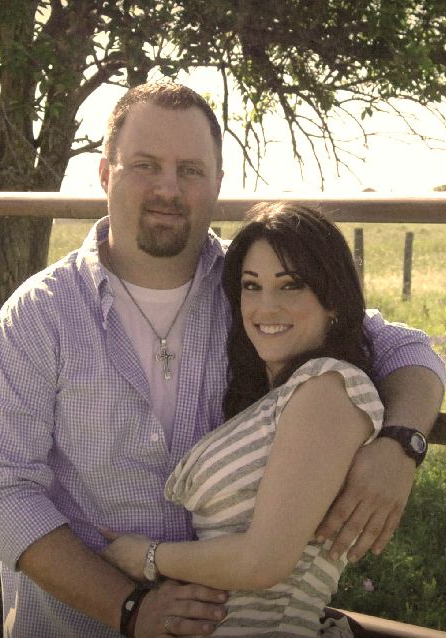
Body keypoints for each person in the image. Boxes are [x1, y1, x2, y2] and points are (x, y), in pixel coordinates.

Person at [0, 82, 446, 638]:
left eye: (190, 170)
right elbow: (1, 489)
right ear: (105, 173)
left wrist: (401, 445)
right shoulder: (40, 313)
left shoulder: (256, 289)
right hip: (79, 625)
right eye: (146, 165)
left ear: (217, 182)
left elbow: (406, 349)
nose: (168, 188)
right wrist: (129, 609)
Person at [100, 201, 405, 636]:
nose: (266, 307)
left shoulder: (328, 389)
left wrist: (147, 557)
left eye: (290, 285)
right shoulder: (279, 394)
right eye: (251, 286)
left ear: (333, 300)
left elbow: (264, 561)